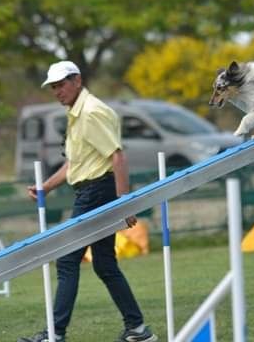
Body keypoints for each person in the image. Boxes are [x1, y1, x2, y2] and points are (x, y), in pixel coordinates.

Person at [18, 61, 157, 342]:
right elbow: (74, 164)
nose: (57, 92)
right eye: (53, 87)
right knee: (104, 264)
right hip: (90, 190)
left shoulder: (91, 112)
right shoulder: (76, 114)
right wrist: (45, 187)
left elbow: (117, 156)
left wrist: (124, 203)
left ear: (77, 81)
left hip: (97, 191)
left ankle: (55, 335)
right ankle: (138, 329)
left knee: (68, 259)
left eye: (61, 85)